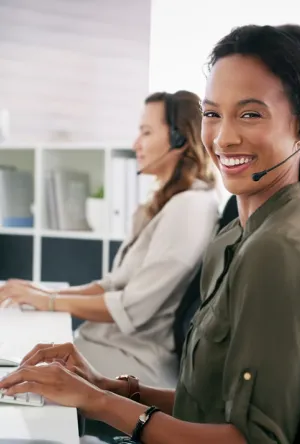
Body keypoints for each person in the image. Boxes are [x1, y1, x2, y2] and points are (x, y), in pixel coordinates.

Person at [0, 24, 300, 444]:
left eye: (250, 113)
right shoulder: (239, 236)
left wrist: (100, 403)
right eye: (212, 114)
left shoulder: (279, 251)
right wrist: (104, 385)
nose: (224, 137)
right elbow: (209, 406)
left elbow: (251, 440)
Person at [0, 90, 219, 388]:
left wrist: (49, 301)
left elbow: (131, 307)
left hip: (133, 360)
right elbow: (113, 283)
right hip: (107, 345)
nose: (135, 144)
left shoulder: (190, 208)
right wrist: (41, 294)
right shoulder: (166, 204)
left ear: (180, 139)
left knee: (17, 361)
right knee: (17, 350)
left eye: (146, 132)